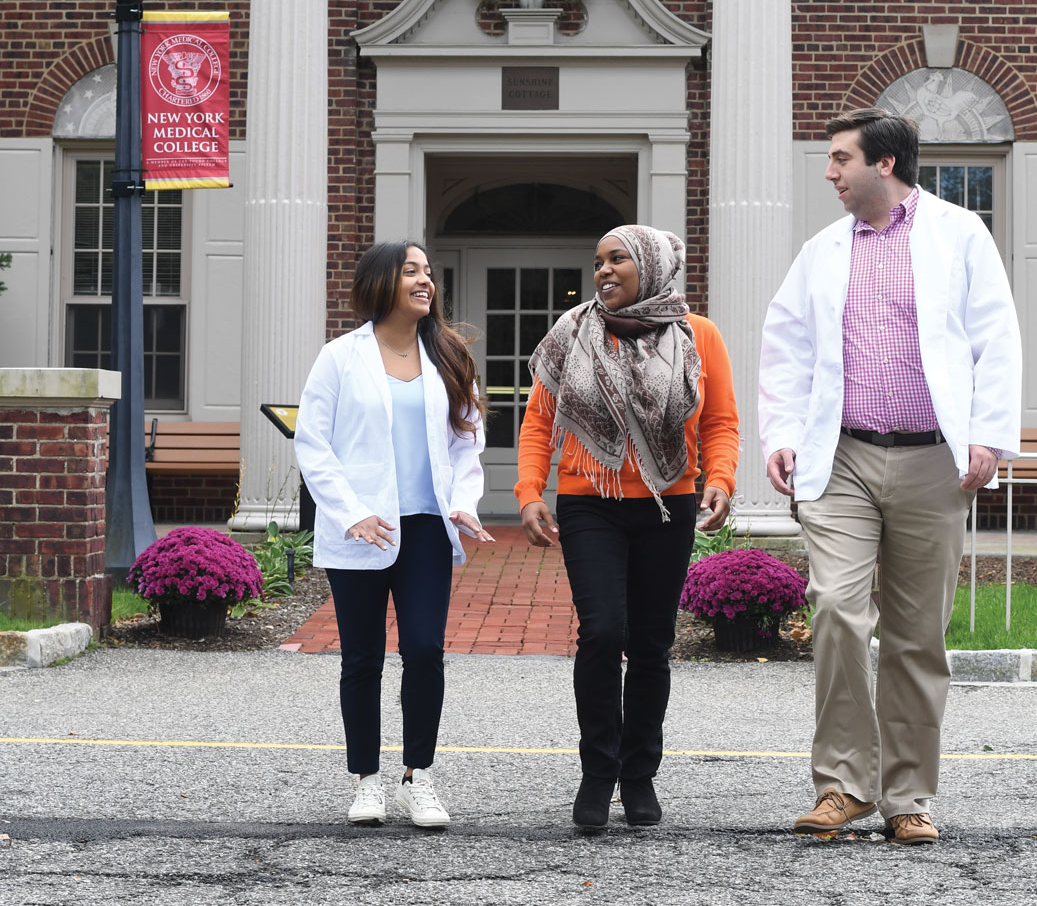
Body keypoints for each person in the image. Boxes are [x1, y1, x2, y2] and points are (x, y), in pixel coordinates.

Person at [758, 108, 1021, 845]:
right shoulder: (820, 250)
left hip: (936, 461)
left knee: (918, 634)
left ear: (885, 164)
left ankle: (908, 795)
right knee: (838, 608)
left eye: (840, 158)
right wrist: (782, 433)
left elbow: (996, 336)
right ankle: (843, 785)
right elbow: (786, 346)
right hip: (841, 458)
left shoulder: (960, 234)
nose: (829, 171)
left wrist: (990, 437)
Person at [517, 225, 739, 829]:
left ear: (654, 265)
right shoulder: (571, 332)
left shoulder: (700, 336)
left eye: (618, 259)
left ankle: (639, 776)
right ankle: (597, 771)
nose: (603, 271)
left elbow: (719, 421)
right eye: (598, 262)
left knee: (650, 644)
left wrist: (719, 478)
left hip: (670, 504)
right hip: (591, 500)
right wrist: (530, 490)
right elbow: (541, 420)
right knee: (602, 631)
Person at [295, 240, 492, 829]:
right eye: (412, 271)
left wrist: (462, 503)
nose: (426, 281)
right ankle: (367, 781)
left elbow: (467, 442)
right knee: (361, 659)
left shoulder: (449, 356)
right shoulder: (340, 357)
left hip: (428, 527)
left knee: (426, 652)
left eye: (429, 272)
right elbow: (312, 442)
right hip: (363, 531)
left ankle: (419, 778)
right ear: (382, 282)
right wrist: (350, 511)